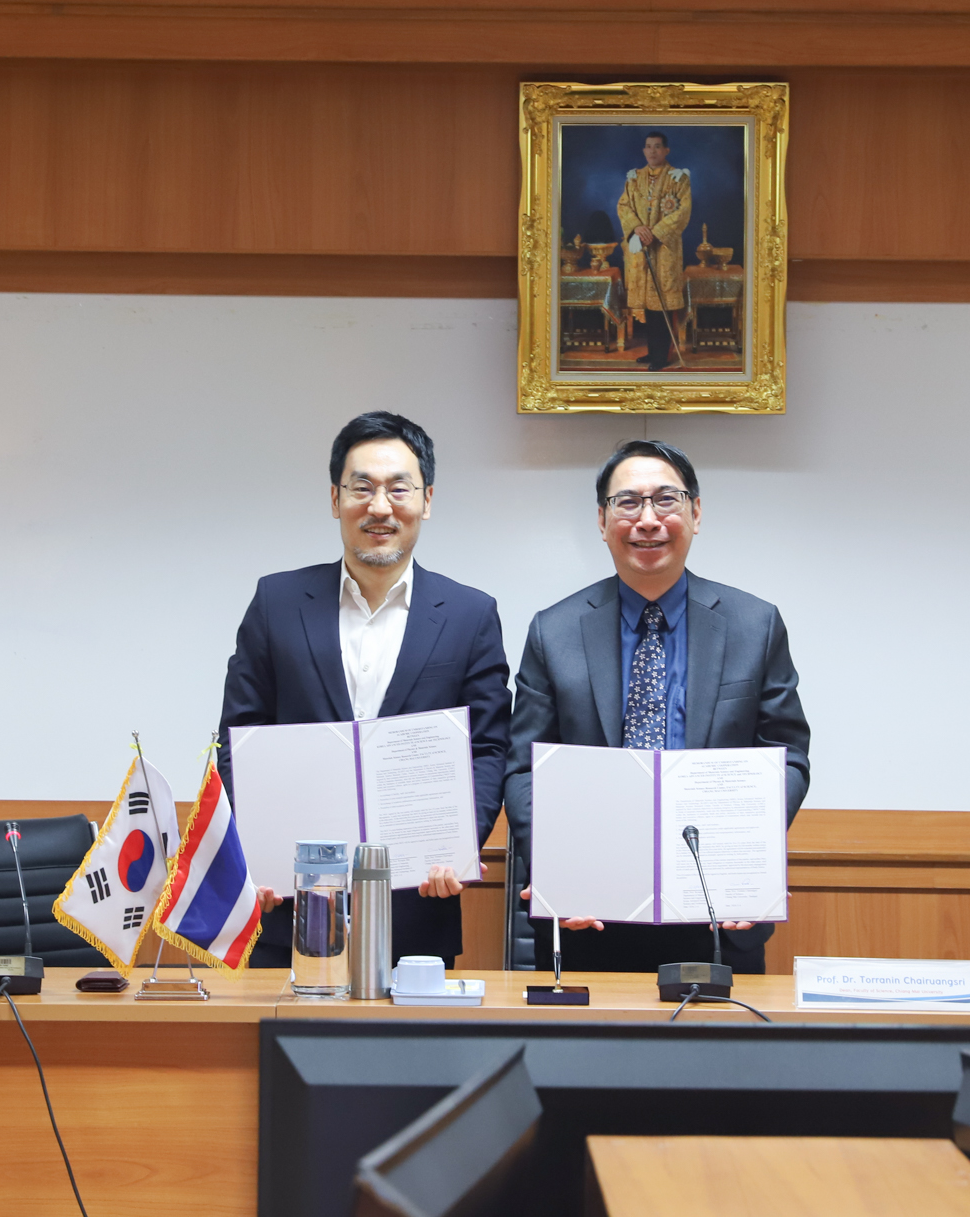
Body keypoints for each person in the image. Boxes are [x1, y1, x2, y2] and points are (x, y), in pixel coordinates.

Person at [503, 438, 810, 974]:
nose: (648, 520)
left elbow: (787, 758)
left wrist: (747, 854)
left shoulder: (754, 625)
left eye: (666, 500)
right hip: (591, 915)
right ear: (602, 521)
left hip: (718, 913)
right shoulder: (555, 631)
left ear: (696, 513)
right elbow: (525, 771)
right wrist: (558, 868)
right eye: (628, 503)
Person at [218, 412, 510, 969]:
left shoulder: (470, 615)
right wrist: (258, 852)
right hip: (290, 908)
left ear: (426, 499)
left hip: (417, 910)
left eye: (399, 488)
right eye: (362, 487)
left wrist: (453, 848)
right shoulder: (277, 603)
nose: (380, 507)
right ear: (335, 499)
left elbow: (488, 749)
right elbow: (239, 740)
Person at [617, 131, 692, 372]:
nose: (652, 151)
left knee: (662, 303)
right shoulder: (634, 178)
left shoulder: (678, 178)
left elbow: (683, 212)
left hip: (665, 250)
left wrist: (655, 232)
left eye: (657, 146)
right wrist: (637, 228)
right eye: (648, 146)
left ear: (666, 150)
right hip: (641, 248)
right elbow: (623, 206)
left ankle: (663, 356)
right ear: (644, 150)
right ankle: (653, 351)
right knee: (649, 306)